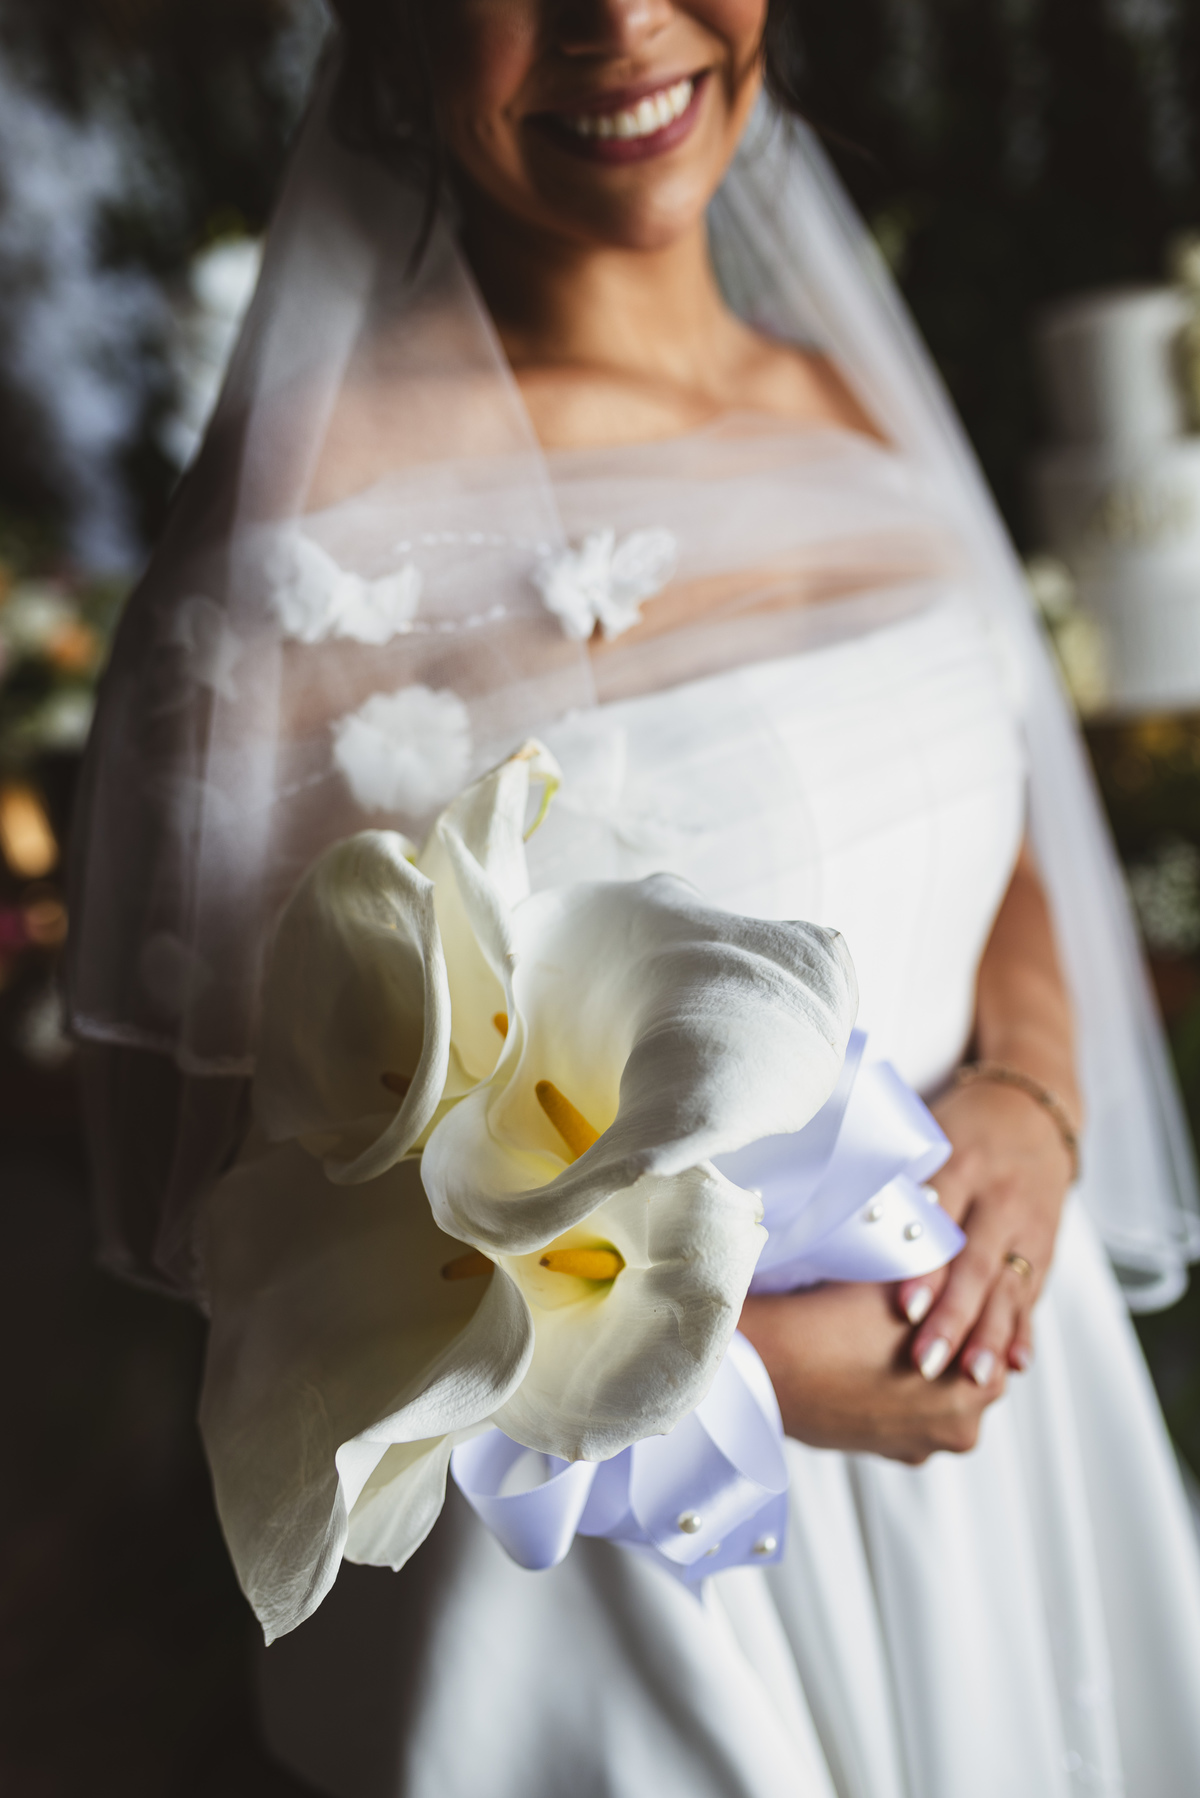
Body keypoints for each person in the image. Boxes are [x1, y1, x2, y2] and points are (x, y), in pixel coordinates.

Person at [69, 3, 1200, 1795]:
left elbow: (999, 812)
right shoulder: (313, 535)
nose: (618, 19)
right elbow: (252, 1227)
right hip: (626, 1554)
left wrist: (1038, 1094)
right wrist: (727, 1373)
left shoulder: (841, 395)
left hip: (1001, 1378)